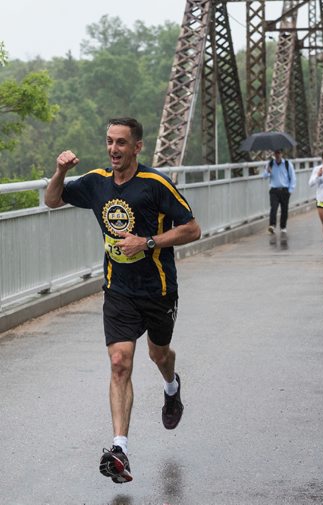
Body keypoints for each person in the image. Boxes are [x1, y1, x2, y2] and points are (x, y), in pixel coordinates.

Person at [44, 117, 201, 484]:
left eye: (121, 143)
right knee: (119, 363)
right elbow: (52, 200)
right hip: (119, 290)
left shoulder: (155, 184)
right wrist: (60, 171)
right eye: (109, 142)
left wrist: (147, 242)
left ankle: (171, 387)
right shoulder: (96, 183)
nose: (113, 149)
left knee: (158, 354)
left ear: (137, 147)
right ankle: (120, 449)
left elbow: (193, 228)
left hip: (159, 289)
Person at [262, 149, 296, 236]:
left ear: (281, 154)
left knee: (284, 209)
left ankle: (283, 227)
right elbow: (264, 176)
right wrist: (267, 172)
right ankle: (272, 225)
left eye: (279, 153)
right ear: (274, 154)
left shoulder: (287, 164)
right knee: (274, 207)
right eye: (276, 153)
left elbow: (293, 177)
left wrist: (290, 190)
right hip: (274, 190)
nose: (277, 155)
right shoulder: (270, 164)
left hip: (284, 190)